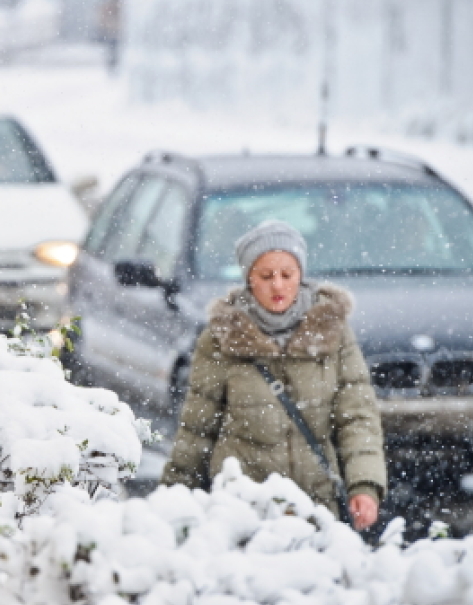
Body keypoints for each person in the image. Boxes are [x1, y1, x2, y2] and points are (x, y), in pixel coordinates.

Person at [161, 220, 386, 530]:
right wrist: (176, 495)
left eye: (287, 275)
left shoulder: (332, 332)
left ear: (301, 275)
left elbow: (357, 417)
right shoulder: (221, 338)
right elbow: (198, 429)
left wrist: (364, 486)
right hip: (243, 508)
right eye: (266, 276)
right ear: (249, 278)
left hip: (317, 506)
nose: (278, 286)